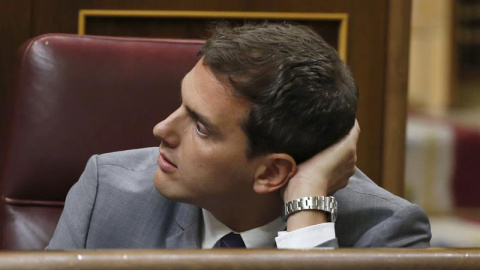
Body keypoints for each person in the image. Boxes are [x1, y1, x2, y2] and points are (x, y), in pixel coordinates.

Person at [47, 23, 431, 249]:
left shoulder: (385, 232)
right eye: (181, 105)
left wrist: (308, 204)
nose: (162, 130)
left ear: (270, 174)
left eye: (200, 126)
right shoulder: (107, 191)